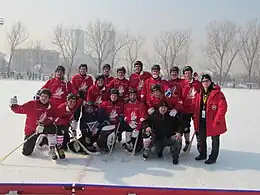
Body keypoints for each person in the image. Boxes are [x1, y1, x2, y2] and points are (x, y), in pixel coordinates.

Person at [10, 89, 59, 160]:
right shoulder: (32, 104)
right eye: (42, 96)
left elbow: (52, 118)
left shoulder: (50, 107)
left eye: (46, 97)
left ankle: (51, 148)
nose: (44, 98)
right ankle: (40, 140)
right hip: (32, 130)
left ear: (49, 98)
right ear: (40, 96)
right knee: (26, 152)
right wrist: (13, 106)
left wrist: (42, 124)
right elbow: (20, 109)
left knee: (53, 128)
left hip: (43, 128)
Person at [193, 74, 228, 164]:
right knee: (201, 137)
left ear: (210, 82)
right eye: (203, 81)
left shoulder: (217, 93)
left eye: (207, 81)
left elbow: (222, 107)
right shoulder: (200, 93)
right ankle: (202, 154)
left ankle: (213, 157)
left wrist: (217, 119)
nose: (205, 83)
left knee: (215, 139)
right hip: (202, 119)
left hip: (213, 120)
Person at [54, 93, 84, 158]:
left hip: (65, 126)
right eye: (70, 101)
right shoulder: (61, 108)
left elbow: (80, 101)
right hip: (57, 126)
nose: (72, 103)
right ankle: (58, 147)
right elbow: (55, 119)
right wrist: (67, 122)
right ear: (67, 101)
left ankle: (61, 144)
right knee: (61, 133)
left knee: (66, 143)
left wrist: (72, 125)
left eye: (74, 102)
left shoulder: (73, 107)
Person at [181, 65, 201, 152]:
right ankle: (187, 142)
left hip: (196, 108)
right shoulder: (182, 83)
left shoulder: (197, 83)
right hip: (186, 109)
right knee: (186, 127)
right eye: (185, 73)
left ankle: (200, 143)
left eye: (189, 73)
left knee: (198, 126)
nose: (187, 75)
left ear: (191, 74)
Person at [122, 88, 147, 153]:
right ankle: (128, 142)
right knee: (124, 124)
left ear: (136, 96)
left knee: (137, 149)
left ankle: (137, 142)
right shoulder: (126, 104)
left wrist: (138, 128)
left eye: (134, 95)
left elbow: (143, 117)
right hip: (130, 124)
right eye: (131, 95)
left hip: (138, 125)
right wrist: (129, 122)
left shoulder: (141, 104)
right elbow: (125, 115)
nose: (132, 96)